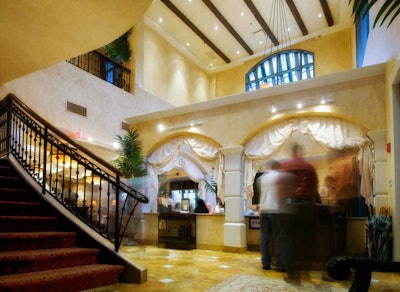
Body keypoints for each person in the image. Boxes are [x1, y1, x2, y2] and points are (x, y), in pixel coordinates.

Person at [277, 144, 319, 283]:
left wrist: (280, 204)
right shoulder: (309, 167)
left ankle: (292, 274)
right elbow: (314, 189)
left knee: (287, 240)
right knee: (307, 239)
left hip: (288, 205)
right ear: (301, 152)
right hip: (306, 205)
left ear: (291, 152)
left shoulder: (284, 166)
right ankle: (303, 268)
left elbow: (279, 188)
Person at [256, 160, 284, 271]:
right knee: (277, 237)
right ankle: (278, 262)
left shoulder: (261, 178)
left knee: (264, 237)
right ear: (277, 166)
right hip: (275, 209)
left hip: (264, 209)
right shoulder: (279, 176)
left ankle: (265, 263)